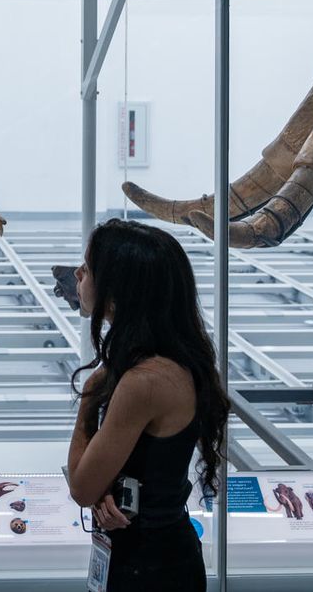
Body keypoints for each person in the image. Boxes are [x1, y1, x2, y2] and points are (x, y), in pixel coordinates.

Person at [64, 219, 228, 592]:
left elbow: (82, 488)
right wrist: (112, 489)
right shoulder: (164, 362)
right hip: (154, 556)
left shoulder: (145, 381)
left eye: (88, 268)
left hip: (150, 569)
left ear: (116, 292)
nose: (78, 274)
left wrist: (89, 399)